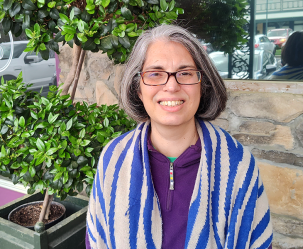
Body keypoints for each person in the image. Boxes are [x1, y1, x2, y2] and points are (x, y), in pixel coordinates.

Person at [86, 25, 273, 249]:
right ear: (138, 89)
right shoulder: (113, 159)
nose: (172, 86)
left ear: (202, 85)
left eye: (185, 73)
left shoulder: (239, 165)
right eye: (155, 74)